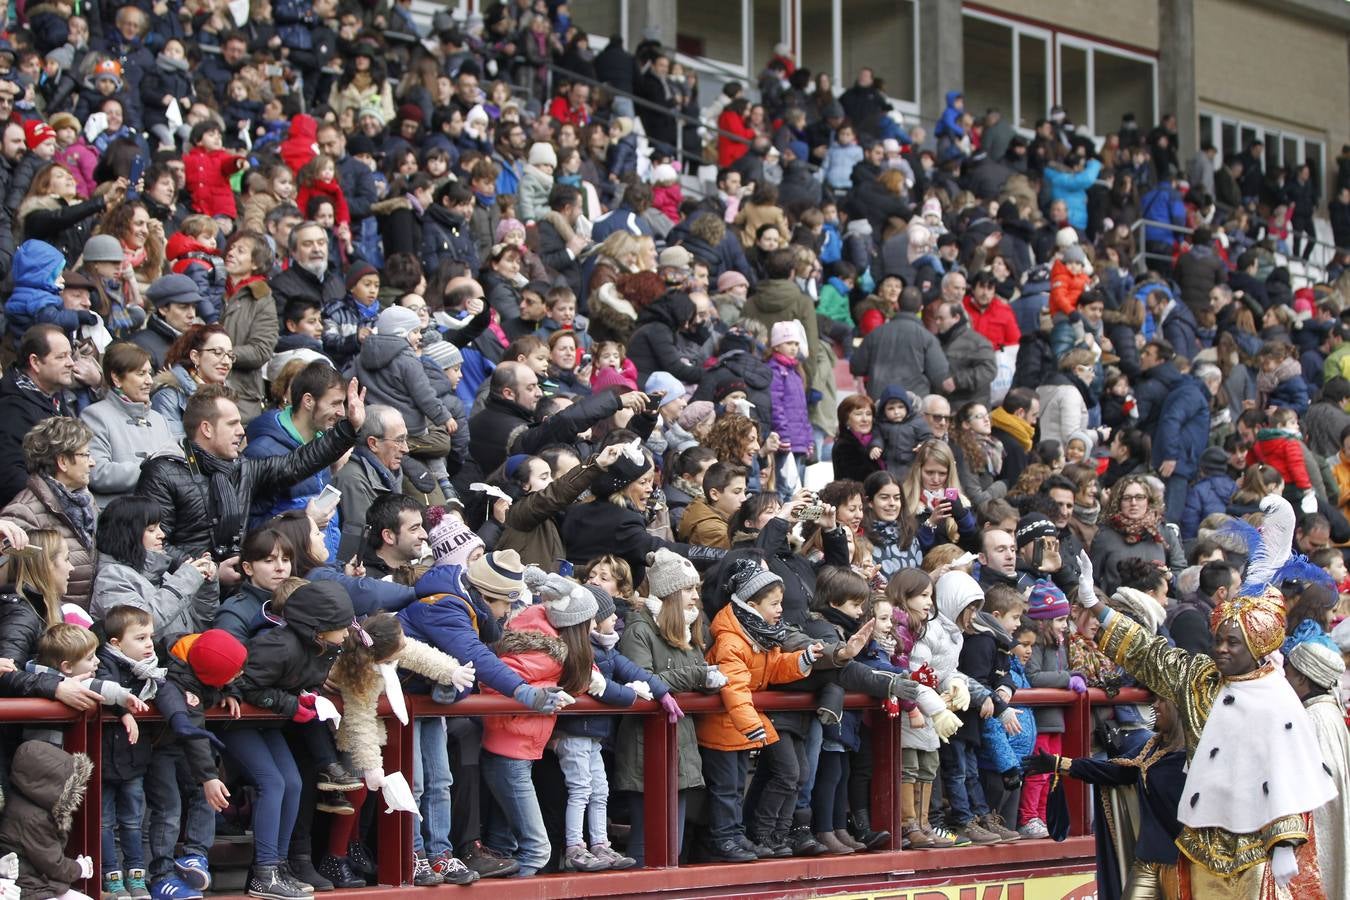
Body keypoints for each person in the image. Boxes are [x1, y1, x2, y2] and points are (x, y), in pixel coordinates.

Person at [1087, 494, 1334, 898]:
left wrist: (1285, 841)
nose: (1220, 649)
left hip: (1255, 850)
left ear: (1255, 649)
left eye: (1231, 643)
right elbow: (1151, 654)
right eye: (1218, 640)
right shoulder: (1200, 678)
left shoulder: (1275, 698)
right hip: (1198, 840)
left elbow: (1284, 769)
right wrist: (1096, 608)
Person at [137, 381, 362, 564]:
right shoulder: (162, 473)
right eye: (232, 424)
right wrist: (208, 570)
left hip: (237, 579)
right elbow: (153, 544)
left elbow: (297, 463)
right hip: (186, 591)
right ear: (206, 429)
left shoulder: (242, 468)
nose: (241, 432)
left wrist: (348, 428)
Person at [1022, 697, 1186, 899]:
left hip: (1186, 861)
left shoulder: (1194, 756)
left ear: (1179, 706)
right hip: (1149, 858)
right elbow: (1116, 771)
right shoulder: (1151, 748)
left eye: (1162, 701)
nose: (1154, 705)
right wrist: (1060, 764)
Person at [91, 495, 219, 646]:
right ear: (128, 535)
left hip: (179, 662)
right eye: (151, 529)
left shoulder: (161, 573)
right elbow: (139, 628)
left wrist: (206, 583)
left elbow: (203, 623)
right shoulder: (111, 577)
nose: (162, 535)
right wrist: (187, 579)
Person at [1, 417, 98, 609]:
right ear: (62, 461)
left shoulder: (86, 503)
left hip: (80, 626)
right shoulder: (22, 512)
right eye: (86, 455)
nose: (93, 462)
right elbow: (13, 583)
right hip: (49, 629)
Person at [1284, 639, 1350, 899]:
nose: (1284, 676)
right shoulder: (1326, 713)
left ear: (1303, 679)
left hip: (1313, 837)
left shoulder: (1315, 719)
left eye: (1288, 670)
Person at [81, 342, 180, 507]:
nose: (149, 381)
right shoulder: (94, 416)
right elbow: (96, 473)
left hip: (159, 517)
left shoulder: (159, 419)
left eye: (150, 373)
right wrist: (151, 469)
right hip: (119, 517)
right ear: (116, 378)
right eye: (141, 374)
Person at [0, 324, 75, 509]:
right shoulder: (12, 406)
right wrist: (55, 506)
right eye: (61, 357)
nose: (71, 362)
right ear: (35, 362)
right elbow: (10, 475)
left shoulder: (53, 396)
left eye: (70, 354)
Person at [149, 324, 236, 438]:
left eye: (230, 355)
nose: (226, 362)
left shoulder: (227, 396)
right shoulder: (168, 397)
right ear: (195, 356)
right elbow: (172, 448)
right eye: (217, 353)